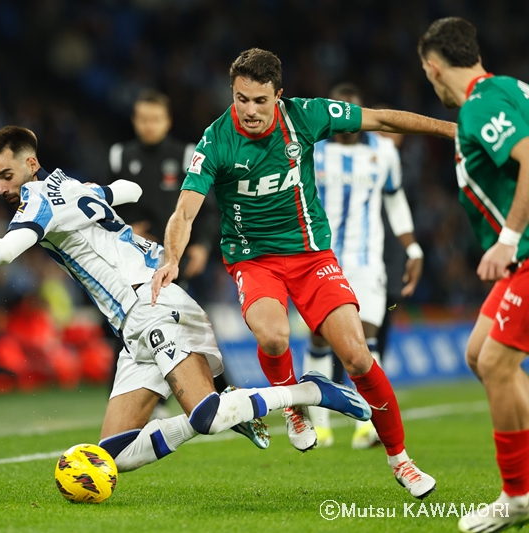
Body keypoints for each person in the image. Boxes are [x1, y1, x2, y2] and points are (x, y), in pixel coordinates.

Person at [0, 125, 373, 474]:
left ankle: (310, 391)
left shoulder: (37, 198)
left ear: (30, 163)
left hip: (151, 303)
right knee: (109, 456)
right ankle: (229, 405)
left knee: (204, 416)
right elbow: (128, 187)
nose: (1, 187)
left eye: (6, 175)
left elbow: (8, 250)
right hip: (134, 324)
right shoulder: (69, 184)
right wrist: (116, 210)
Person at [151, 48, 456, 498]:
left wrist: (452, 128)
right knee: (273, 338)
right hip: (254, 260)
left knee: (357, 357)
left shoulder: (306, 116)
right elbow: (184, 211)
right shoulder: (215, 140)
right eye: (241, 99)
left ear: (279, 95)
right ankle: (292, 405)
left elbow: (383, 120)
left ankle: (401, 461)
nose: (249, 111)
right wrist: (171, 257)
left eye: (260, 100)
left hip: (312, 256)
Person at [419, 17, 529, 531]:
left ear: (434, 66)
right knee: (478, 355)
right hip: (520, 255)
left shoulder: (480, 106)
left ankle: (518, 494)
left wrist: (508, 238)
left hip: (526, 250)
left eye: (427, 73)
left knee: (497, 362)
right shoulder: (507, 88)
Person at [303, 83, 423, 450]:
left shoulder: (384, 151)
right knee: (319, 339)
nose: (346, 122)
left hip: (367, 260)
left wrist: (413, 248)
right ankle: (321, 427)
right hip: (320, 260)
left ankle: (368, 425)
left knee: (366, 338)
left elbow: (394, 199)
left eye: (351, 113)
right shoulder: (313, 150)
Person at [107, 90, 223, 416]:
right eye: (143, 119)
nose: (149, 125)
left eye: (155, 119)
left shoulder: (187, 155)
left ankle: (215, 391)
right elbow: (104, 207)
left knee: (185, 325)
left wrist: (201, 246)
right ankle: (145, 398)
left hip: (177, 258)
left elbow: (208, 209)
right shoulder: (119, 156)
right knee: (133, 326)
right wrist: (126, 229)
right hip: (133, 259)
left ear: (167, 121)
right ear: (134, 121)